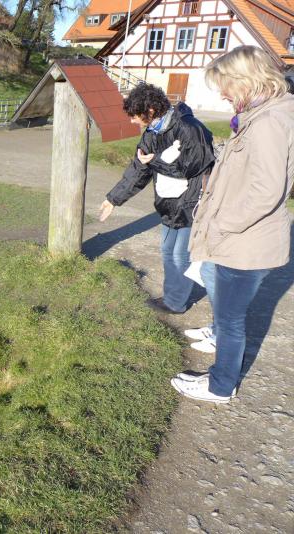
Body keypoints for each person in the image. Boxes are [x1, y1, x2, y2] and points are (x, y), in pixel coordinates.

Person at [171, 46, 294, 403]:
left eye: (225, 85)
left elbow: (265, 191)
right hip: (244, 239)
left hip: (245, 242)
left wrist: (221, 223)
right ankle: (221, 376)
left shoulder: (269, 123)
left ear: (246, 80)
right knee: (229, 316)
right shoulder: (265, 114)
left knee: (230, 319)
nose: (223, 94)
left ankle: (220, 386)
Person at [99, 84, 215, 314]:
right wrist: (113, 199)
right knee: (167, 251)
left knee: (180, 255)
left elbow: (194, 166)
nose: (132, 120)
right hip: (168, 204)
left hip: (192, 204)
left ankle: (176, 303)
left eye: (135, 115)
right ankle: (172, 297)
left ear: (150, 110)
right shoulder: (151, 133)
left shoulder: (189, 128)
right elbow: (139, 169)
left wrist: (156, 161)